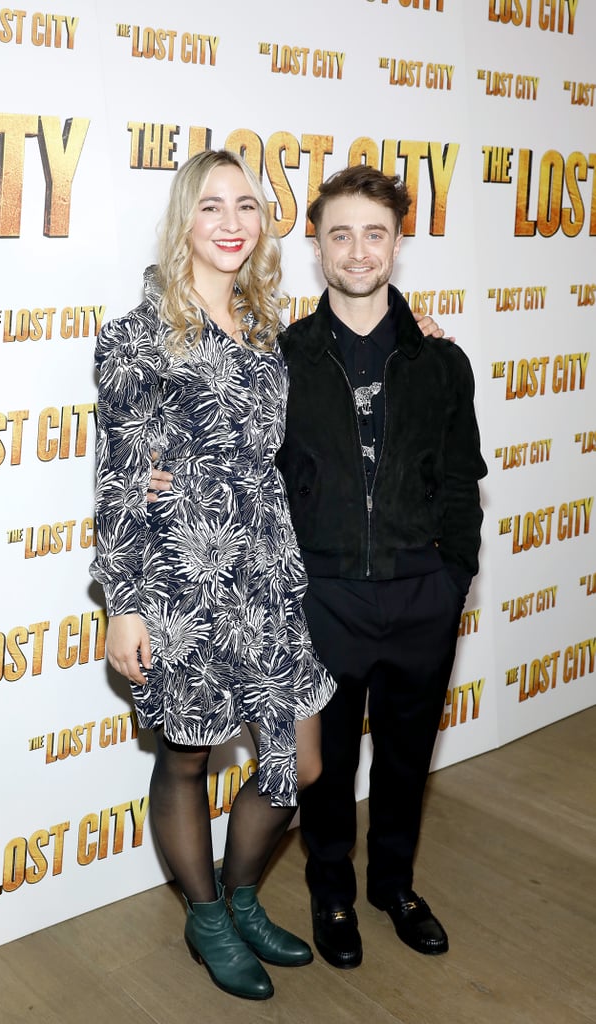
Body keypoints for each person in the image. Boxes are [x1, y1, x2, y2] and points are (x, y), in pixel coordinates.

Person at [89, 149, 337, 1001]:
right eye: (211, 207)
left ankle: (242, 897)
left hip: (266, 574)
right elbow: (120, 479)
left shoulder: (268, 332)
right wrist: (122, 605)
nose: (232, 223)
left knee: (299, 761)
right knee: (187, 757)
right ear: (183, 222)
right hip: (181, 583)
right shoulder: (136, 334)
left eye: (247, 206)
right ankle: (206, 917)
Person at [274, 164, 487, 968]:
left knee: (405, 756)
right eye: (340, 235)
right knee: (322, 768)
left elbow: (460, 477)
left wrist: (451, 576)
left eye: (374, 233)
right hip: (322, 599)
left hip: (419, 596)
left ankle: (393, 887)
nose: (357, 251)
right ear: (317, 246)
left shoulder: (441, 361)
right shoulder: (282, 358)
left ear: (397, 243)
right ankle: (330, 894)